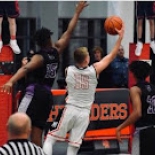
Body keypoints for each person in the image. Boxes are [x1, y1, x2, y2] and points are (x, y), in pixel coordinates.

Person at [0, 1, 88, 147]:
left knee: (16, 124)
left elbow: (25, 69)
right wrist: (77, 13)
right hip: (47, 95)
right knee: (37, 132)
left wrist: (11, 81)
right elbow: (69, 32)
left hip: (33, 93)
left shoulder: (39, 57)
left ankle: (13, 151)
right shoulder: (56, 50)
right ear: (48, 39)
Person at [43, 23, 124, 155]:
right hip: (84, 113)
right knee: (73, 146)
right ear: (87, 59)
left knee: (50, 139)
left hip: (70, 109)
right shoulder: (95, 70)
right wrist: (120, 37)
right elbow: (111, 56)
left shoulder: (68, 70)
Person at [116, 60, 155, 155]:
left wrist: (120, 127)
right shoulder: (153, 88)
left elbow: (137, 113)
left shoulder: (135, 89)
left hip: (143, 131)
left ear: (133, 74)